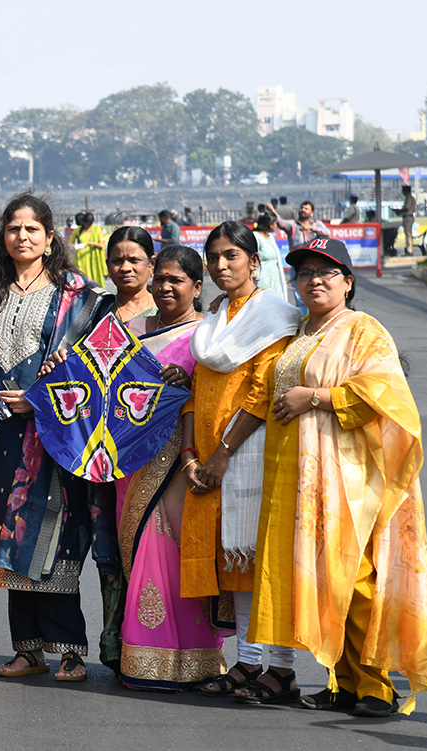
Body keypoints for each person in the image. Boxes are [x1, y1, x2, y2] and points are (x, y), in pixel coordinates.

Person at [249, 237, 427, 716]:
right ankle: (344, 681)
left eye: (327, 272)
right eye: (305, 272)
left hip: (349, 475)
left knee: (357, 579)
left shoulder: (362, 329)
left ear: (348, 283)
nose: (314, 280)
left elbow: (386, 395)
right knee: (330, 579)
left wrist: (317, 397)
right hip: (300, 477)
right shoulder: (302, 332)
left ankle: (376, 686)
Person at [0, 192, 117, 682]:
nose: (22, 236)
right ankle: (28, 648)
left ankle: (71, 648)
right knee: (11, 537)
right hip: (0, 434)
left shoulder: (78, 296)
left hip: (55, 433)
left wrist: (40, 396)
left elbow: (97, 362)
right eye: (14, 228)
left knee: (56, 533)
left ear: (49, 237)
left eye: (32, 229)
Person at [180, 221, 301, 702]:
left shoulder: (272, 315)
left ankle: (283, 668)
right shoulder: (215, 319)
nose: (221, 265)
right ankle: (250, 663)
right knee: (238, 565)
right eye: (213, 257)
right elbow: (195, 388)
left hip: (251, 453)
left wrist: (224, 454)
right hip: (211, 453)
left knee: (264, 561)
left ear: (254, 261)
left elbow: (261, 391)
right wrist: (194, 454)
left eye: (232, 255)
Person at [116, 245, 226, 690]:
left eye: (176, 280)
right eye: (159, 278)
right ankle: (143, 660)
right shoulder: (129, 330)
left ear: (197, 287)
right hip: (130, 461)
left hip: (182, 460)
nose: (164, 286)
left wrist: (192, 379)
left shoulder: (207, 336)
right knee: (138, 544)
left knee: (171, 550)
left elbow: (220, 391)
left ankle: (196, 660)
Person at [105, 226, 157, 323]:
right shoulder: (99, 314)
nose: (125, 268)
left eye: (134, 260)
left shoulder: (167, 311)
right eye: (117, 261)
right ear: (108, 265)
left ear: (151, 264)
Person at [253, 213, 290, 302]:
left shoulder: (270, 238)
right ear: (270, 224)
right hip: (262, 280)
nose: (276, 226)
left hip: (275, 281)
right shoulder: (256, 237)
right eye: (275, 223)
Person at [70, 211, 108, 286]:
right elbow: (70, 242)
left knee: (96, 277)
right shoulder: (78, 230)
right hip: (82, 259)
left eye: (89, 224)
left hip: (94, 259)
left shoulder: (97, 230)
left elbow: (102, 245)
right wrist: (73, 246)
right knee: (83, 278)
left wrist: (92, 244)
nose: (87, 225)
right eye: (86, 224)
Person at [396, 185, 416, 255]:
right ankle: (409, 250)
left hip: (408, 217)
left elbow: (406, 208)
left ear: (406, 191)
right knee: (408, 234)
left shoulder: (409, 198)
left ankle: (409, 251)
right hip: (408, 217)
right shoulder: (411, 197)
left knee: (408, 235)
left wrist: (399, 211)